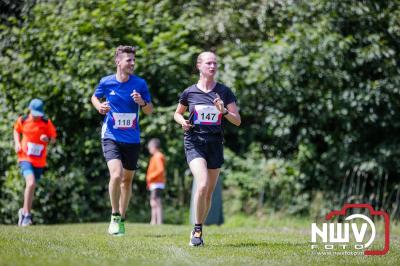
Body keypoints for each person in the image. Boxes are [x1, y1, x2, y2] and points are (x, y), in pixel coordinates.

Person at [174, 51, 241, 246]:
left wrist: (224, 111)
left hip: (214, 143)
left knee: (209, 191)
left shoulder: (224, 91)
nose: (212, 66)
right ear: (199, 66)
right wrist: (183, 122)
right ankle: (196, 231)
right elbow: (177, 113)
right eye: (208, 63)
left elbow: (237, 121)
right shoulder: (189, 92)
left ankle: (199, 228)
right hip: (194, 141)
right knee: (202, 184)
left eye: (215, 63)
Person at [91, 45, 153, 236]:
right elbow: (94, 97)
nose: (132, 63)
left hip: (132, 139)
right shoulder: (106, 82)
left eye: (134, 60)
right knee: (116, 175)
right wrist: (99, 106)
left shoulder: (140, 84)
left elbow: (149, 110)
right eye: (129, 60)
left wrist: (142, 102)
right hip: (111, 136)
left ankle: (123, 217)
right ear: (118, 62)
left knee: (127, 181)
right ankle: (114, 216)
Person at [13, 98, 57, 226]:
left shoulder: (46, 122)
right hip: (25, 158)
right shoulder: (23, 120)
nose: (37, 117)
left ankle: (23, 212)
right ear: (30, 110)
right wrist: (17, 143)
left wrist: (47, 138)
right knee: (31, 183)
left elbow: (53, 139)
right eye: (35, 114)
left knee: (32, 187)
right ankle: (27, 215)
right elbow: (16, 130)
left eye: (39, 114)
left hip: (39, 161)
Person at [146, 138, 166, 225]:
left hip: (157, 183)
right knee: (154, 202)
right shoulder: (156, 156)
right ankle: (154, 221)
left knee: (155, 202)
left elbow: (160, 170)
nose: (149, 149)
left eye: (150, 148)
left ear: (154, 147)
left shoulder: (158, 156)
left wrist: (150, 177)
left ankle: (157, 221)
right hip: (155, 183)